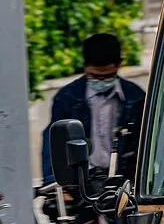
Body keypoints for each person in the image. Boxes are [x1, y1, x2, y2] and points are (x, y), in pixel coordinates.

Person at [41, 34, 146, 185]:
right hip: (81, 184)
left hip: (125, 182)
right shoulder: (67, 99)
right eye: (95, 77)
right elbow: (53, 145)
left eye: (108, 76)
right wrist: (54, 183)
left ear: (119, 65)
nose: (101, 82)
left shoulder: (136, 98)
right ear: (85, 67)